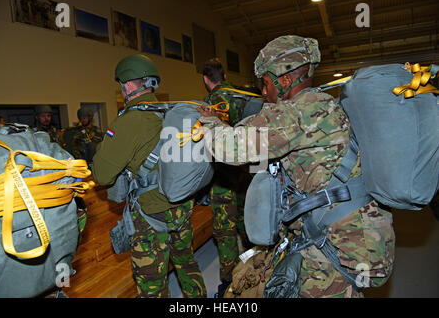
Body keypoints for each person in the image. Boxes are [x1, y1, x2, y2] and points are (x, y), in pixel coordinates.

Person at [197, 35, 395, 298]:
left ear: (285, 79)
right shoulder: (320, 103)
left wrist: (210, 124)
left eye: (266, 84)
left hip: (342, 243)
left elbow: (231, 149)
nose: (264, 92)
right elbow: (260, 132)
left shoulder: (299, 112)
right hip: (346, 232)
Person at [92, 54, 206, 298]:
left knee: (152, 285)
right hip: (182, 206)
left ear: (129, 84)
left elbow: (101, 175)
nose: (121, 91)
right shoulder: (171, 112)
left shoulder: (129, 121)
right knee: (187, 264)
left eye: (121, 85)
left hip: (151, 215)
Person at [201, 58, 251, 296]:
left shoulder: (211, 102)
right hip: (248, 170)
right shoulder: (241, 95)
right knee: (245, 221)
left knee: (225, 231)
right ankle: (254, 264)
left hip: (223, 177)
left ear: (205, 78)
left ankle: (229, 281)